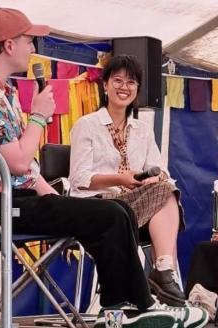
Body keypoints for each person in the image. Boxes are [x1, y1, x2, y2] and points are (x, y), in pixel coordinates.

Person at [0, 8, 207, 328]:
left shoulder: (3, 91)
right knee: (110, 214)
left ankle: (120, 311)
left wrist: (54, 197)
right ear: (9, 45)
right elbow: (15, 162)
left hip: (18, 198)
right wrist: (40, 117)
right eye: (29, 40)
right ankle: (138, 306)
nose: (33, 47)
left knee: (116, 209)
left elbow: (24, 169)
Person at [69, 55, 187, 307]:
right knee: (164, 193)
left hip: (132, 204)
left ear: (138, 89)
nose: (124, 87)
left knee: (166, 188)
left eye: (131, 82)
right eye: (118, 80)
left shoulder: (142, 130)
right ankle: (163, 276)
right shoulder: (86, 125)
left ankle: (164, 270)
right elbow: (79, 179)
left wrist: (151, 178)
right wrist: (119, 178)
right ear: (105, 85)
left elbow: (161, 171)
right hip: (97, 206)